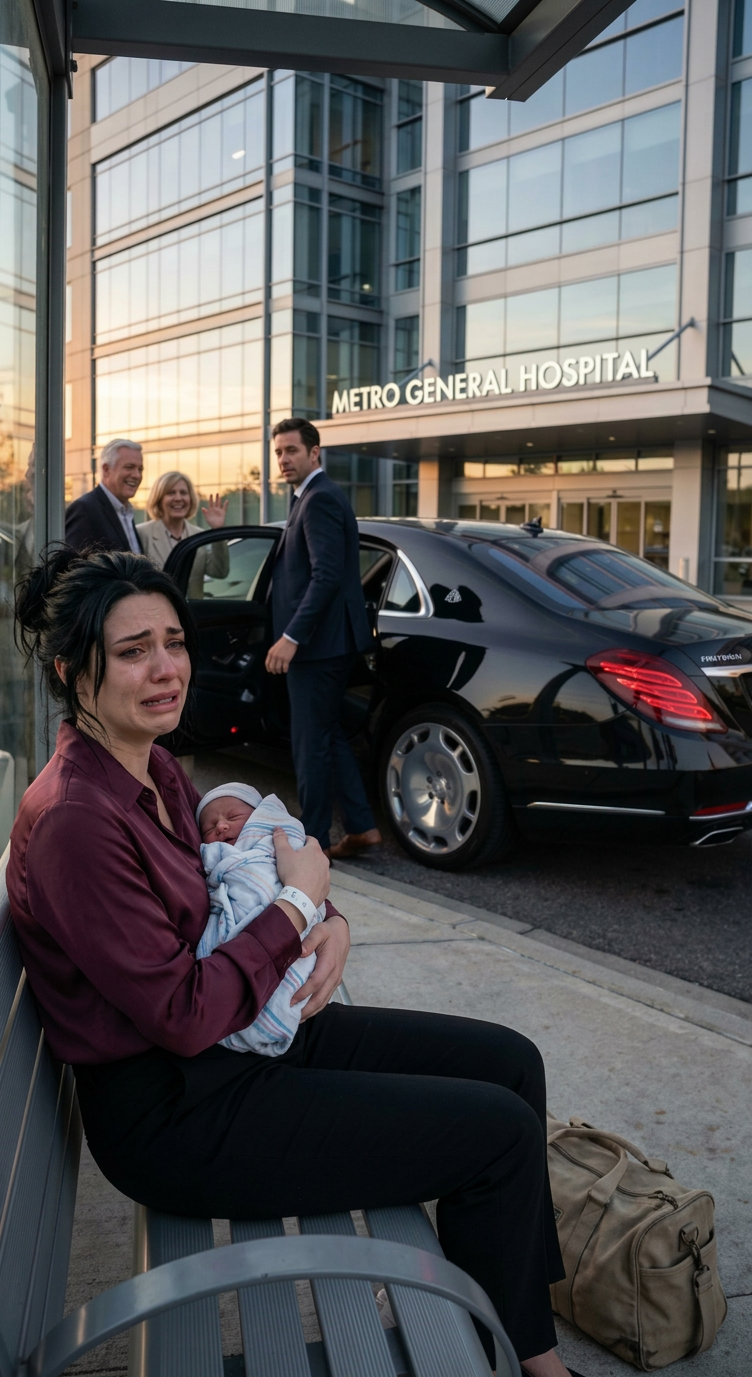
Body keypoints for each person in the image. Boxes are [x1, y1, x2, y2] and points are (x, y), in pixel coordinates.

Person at [8, 545, 577, 1377]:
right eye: (133, 652)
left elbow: (253, 869)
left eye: (175, 640)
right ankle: (536, 1365)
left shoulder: (151, 765)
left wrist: (330, 918)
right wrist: (302, 906)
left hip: (239, 1046)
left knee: (510, 1063)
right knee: (501, 1137)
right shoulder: (76, 820)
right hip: (180, 1113)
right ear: (71, 670)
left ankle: (502, 1320)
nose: (167, 668)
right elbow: (184, 1012)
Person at [265, 418, 382, 860]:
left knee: (309, 745)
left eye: (291, 451)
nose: (283, 459)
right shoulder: (311, 498)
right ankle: (361, 826)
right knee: (327, 736)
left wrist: (292, 636)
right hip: (328, 644)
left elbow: (327, 575)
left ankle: (310, 844)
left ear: (315, 453)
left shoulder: (319, 499)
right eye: (279, 452)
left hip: (317, 647)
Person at [195, 781, 325, 1056]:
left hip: (286, 934)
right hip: (235, 979)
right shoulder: (221, 855)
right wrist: (301, 900)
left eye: (233, 817)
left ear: (259, 818)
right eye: (209, 827)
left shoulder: (272, 843)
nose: (220, 827)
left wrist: (334, 921)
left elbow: (306, 877)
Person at [136, 470, 230, 597]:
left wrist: (218, 531)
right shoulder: (142, 533)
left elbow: (220, 572)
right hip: (156, 613)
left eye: (183, 493)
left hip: (191, 614)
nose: (178, 498)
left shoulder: (199, 536)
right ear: (159, 499)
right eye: (171, 493)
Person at [65, 439, 144, 553]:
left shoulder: (126, 512)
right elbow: (73, 566)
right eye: (129, 467)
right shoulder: (84, 510)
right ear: (106, 470)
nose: (137, 475)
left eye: (140, 469)